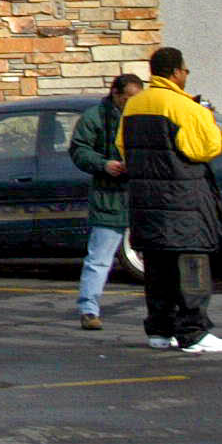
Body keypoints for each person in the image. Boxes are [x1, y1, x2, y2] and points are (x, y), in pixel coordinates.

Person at [119, 46, 222, 354]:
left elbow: (122, 147)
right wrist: (206, 116)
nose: (186, 75)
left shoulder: (134, 106)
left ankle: (159, 330)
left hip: (146, 205)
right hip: (184, 207)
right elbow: (206, 148)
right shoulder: (185, 108)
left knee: (157, 272)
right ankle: (193, 332)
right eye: (185, 70)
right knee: (192, 270)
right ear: (176, 72)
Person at [68, 73, 144, 330]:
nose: (133, 103)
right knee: (99, 258)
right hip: (109, 196)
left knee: (156, 259)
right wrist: (104, 165)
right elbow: (79, 150)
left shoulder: (142, 117)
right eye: (129, 98)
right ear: (116, 94)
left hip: (140, 196)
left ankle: (162, 313)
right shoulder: (94, 117)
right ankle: (89, 310)